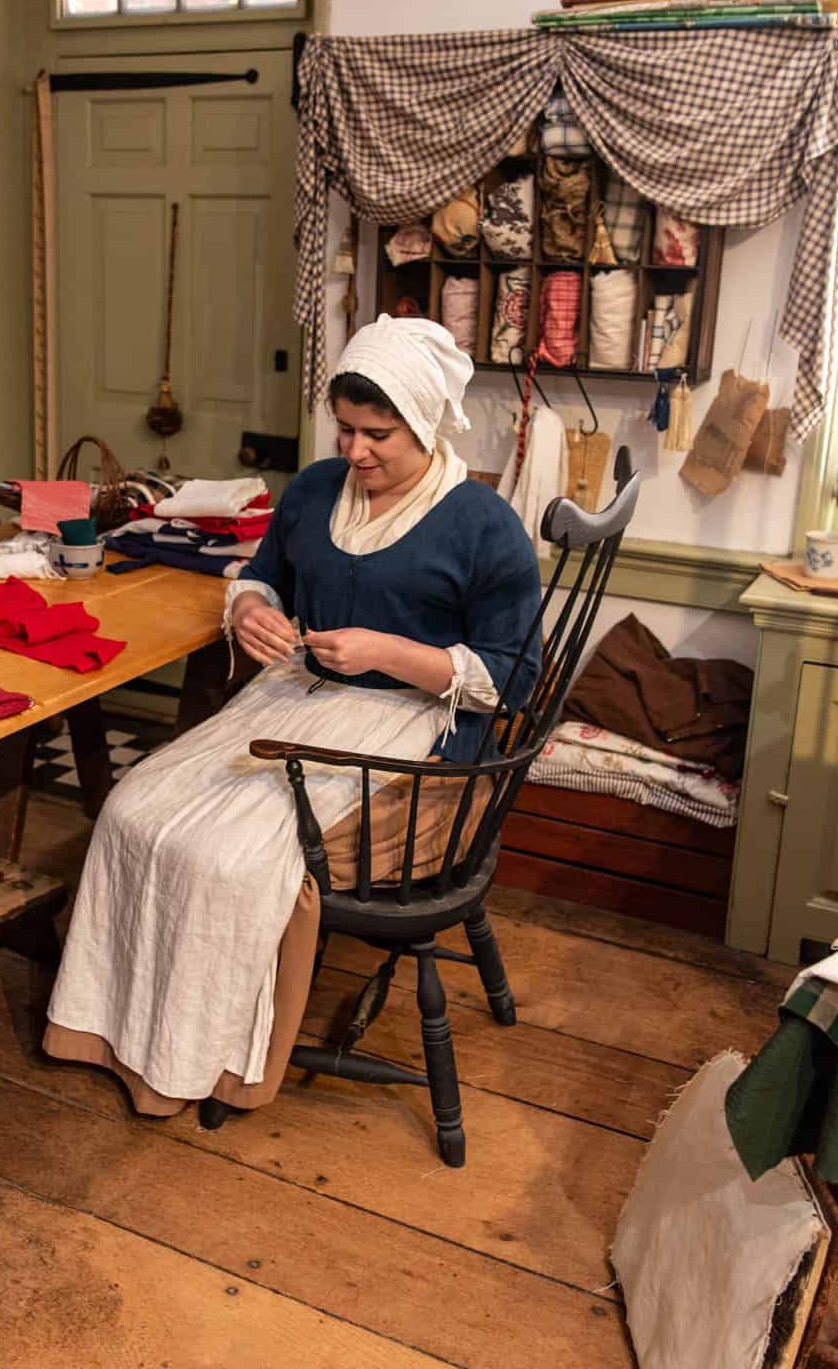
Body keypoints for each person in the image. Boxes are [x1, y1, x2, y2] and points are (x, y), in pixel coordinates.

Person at [44, 316, 542, 1115]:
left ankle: (201, 1060)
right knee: (132, 809)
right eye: (344, 429)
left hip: (410, 726)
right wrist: (250, 608)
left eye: (377, 435)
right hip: (297, 695)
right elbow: (261, 574)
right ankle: (108, 1032)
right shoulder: (315, 489)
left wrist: (390, 652)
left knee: (233, 858)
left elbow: (514, 679)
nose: (354, 452)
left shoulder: (485, 527)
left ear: (424, 424)